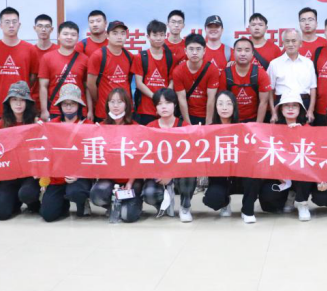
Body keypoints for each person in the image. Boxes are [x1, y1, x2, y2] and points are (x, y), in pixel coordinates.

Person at [0, 81, 41, 221]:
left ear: (27, 102)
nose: (18, 104)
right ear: (9, 102)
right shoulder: (2, 123)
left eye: (22, 100)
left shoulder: (36, 122)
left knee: (28, 194)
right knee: (0, 214)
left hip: (30, 174)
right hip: (10, 174)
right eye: (14, 100)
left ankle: (32, 202)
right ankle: (15, 201)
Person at [202, 90, 261, 224]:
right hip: (220, 176)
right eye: (220, 104)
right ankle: (225, 202)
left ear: (234, 107)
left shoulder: (244, 128)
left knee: (253, 176)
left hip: (240, 176)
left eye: (229, 104)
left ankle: (247, 210)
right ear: (215, 106)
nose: (224, 108)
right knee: (212, 199)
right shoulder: (209, 130)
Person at [40, 84, 94, 222]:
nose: (68, 107)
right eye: (65, 104)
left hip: (80, 177)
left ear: (79, 106)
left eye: (72, 104)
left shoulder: (88, 126)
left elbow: (93, 154)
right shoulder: (52, 125)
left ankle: (83, 202)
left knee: (76, 193)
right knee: (48, 215)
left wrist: (79, 173)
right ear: (60, 106)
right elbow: (46, 151)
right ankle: (62, 204)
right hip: (57, 178)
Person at [143, 88, 197, 223]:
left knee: (189, 174)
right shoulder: (150, 127)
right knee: (149, 194)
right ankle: (162, 204)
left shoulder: (184, 127)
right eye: (159, 104)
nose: (164, 107)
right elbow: (146, 157)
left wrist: (171, 174)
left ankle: (185, 207)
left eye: (167, 103)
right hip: (158, 174)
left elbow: (190, 157)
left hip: (179, 172)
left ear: (175, 104)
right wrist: (158, 174)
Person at [89, 88, 142, 222]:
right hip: (109, 179)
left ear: (127, 105)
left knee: (127, 216)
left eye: (120, 102)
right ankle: (112, 204)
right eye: (112, 102)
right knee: (97, 196)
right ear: (107, 104)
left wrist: (130, 182)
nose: (115, 105)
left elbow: (138, 159)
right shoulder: (101, 127)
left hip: (131, 179)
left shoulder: (135, 127)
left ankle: (127, 203)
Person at [0, 7, 39, 121]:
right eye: (7, 22)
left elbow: (33, 77)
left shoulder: (30, 49)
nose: (11, 25)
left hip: (22, 107)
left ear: (19, 24)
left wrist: (21, 89)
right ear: (0, 25)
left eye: (14, 22)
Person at [39, 21, 91, 122]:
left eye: (73, 35)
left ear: (77, 38)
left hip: (79, 109)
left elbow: (87, 87)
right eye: (65, 34)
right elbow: (43, 86)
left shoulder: (85, 59)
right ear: (58, 36)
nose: (69, 37)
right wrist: (44, 110)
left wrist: (90, 110)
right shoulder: (47, 58)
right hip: (55, 109)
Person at [272, 94, 313, 221]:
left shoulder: (308, 128)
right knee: (269, 201)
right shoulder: (274, 128)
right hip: (281, 172)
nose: (290, 109)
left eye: (294, 106)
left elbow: (312, 155)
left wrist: (299, 134)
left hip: (301, 170)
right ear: (281, 109)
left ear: (300, 109)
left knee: (304, 170)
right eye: (286, 106)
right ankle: (290, 195)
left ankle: (302, 203)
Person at [87, 20, 134, 123]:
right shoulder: (98, 56)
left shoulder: (129, 56)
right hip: (104, 112)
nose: (119, 37)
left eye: (122, 33)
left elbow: (129, 80)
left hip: (125, 113)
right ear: (107, 35)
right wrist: (100, 100)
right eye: (115, 33)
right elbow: (90, 84)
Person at [267, 29, 317, 124]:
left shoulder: (308, 63)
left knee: (304, 132)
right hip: (282, 104)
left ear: (300, 43)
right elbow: (270, 90)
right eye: (287, 41)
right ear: (283, 43)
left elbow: (313, 88)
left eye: (294, 41)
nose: (290, 44)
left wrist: (310, 110)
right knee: (281, 132)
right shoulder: (274, 64)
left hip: (304, 104)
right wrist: (273, 112)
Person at [133, 20, 176, 125]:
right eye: (155, 35)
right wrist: (156, 98)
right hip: (146, 109)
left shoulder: (170, 57)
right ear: (148, 37)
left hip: (166, 108)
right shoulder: (141, 57)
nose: (158, 38)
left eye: (161, 35)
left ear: (165, 36)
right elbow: (139, 83)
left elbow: (172, 80)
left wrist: (164, 99)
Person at [173, 33, 220, 125]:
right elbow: (181, 99)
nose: (194, 53)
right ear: (185, 51)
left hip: (207, 115)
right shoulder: (177, 71)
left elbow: (211, 98)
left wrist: (208, 122)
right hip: (187, 115)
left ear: (204, 51)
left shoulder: (212, 70)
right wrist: (187, 124)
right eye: (191, 49)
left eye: (198, 49)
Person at [222, 38, 271, 122]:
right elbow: (222, 102)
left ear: (252, 54)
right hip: (231, 119)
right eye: (239, 50)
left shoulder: (261, 73)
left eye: (247, 50)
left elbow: (263, 102)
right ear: (233, 53)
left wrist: (257, 125)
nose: (243, 54)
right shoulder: (225, 74)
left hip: (254, 119)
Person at [31, 14, 59, 112]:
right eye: (40, 26)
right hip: (32, 102)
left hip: (55, 103)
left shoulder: (59, 50)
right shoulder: (29, 51)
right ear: (34, 28)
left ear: (52, 29)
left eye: (47, 26)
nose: (43, 29)